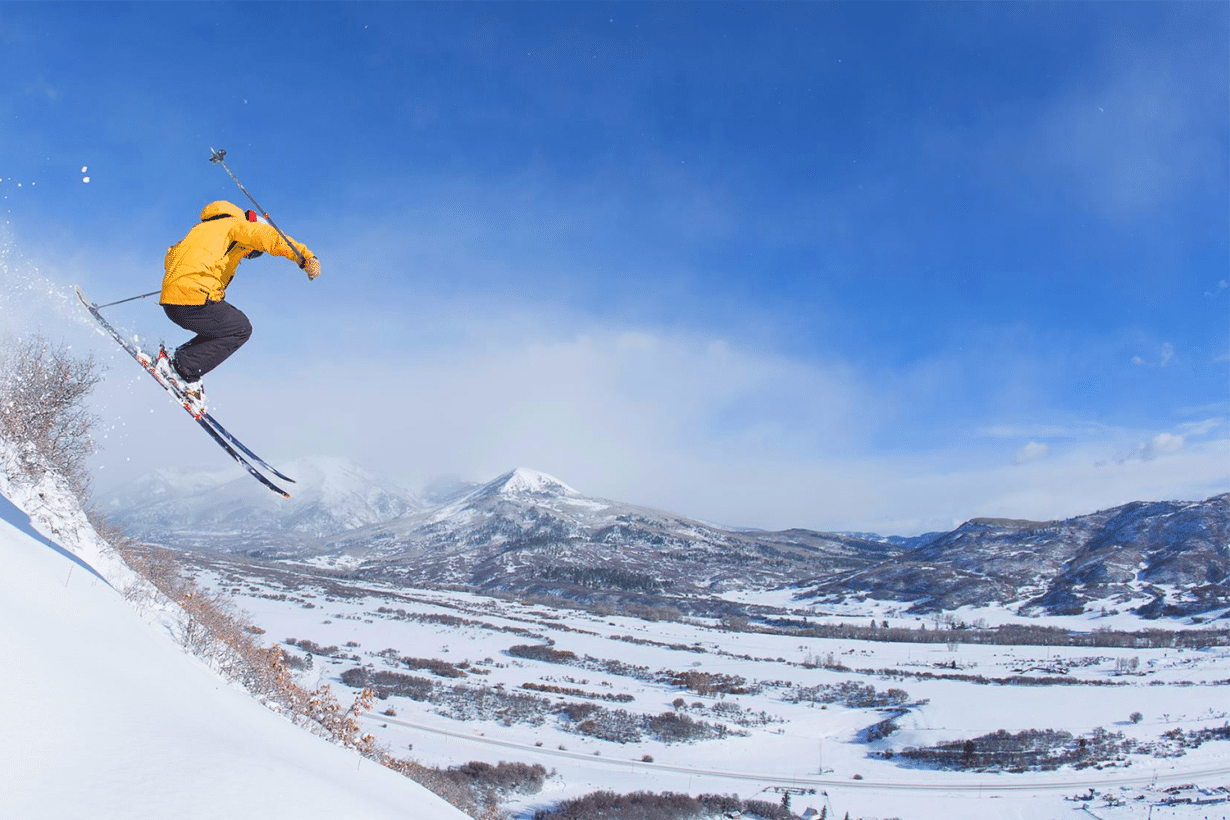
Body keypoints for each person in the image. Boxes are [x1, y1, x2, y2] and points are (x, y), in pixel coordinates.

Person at [156, 200, 320, 412]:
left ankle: (182, 362)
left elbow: (172, 256)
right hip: (193, 297)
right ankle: (182, 369)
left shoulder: (201, 228)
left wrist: (185, 277)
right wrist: (304, 256)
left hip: (172, 300)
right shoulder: (237, 225)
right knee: (240, 328)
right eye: (252, 251)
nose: (248, 255)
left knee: (222, 327)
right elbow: (269, 236)